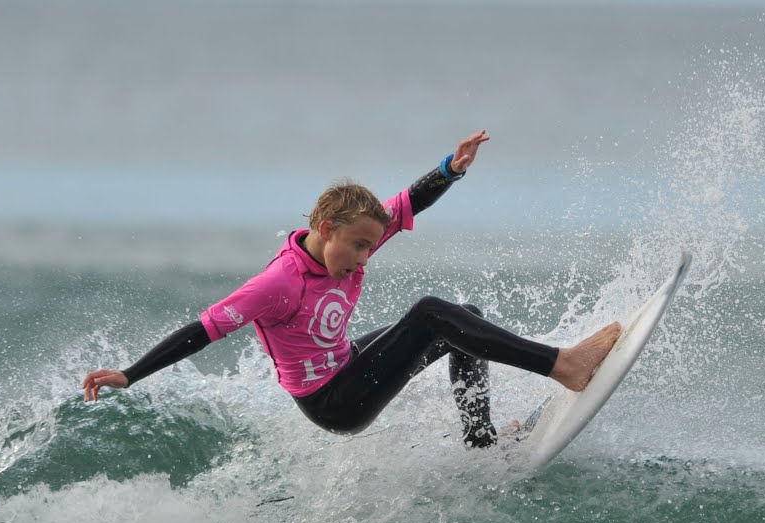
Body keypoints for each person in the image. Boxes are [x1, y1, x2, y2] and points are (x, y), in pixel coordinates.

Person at [82, 130, 621, 448]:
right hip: (334, 402)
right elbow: (202, 331)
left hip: (346, 363)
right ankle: (563, 365)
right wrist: (130, 374)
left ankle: (483, 444)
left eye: (371, 244)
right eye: (358, 245)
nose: (366, 256)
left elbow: (410, 201)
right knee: (433, 313)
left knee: (462, 316)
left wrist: (449, 170)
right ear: (324, 229)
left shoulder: (349, 245)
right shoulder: (279, 282)